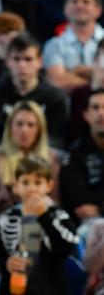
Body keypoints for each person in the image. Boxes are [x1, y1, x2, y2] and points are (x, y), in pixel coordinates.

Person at [0, 155, 78, 295]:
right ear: (15, 186)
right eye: (25, 182)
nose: (31, 188)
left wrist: (44, 216)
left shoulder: (58, 216)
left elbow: (68, 247)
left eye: (38, 182)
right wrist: (6, 263)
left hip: (51, 288)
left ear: (49, 186)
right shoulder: (5, 219)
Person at [0, 32, 69, 152]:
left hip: (42, 158)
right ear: (7, 61)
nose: (22, 65)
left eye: (28, 59)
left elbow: (57, 138)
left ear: (39, 62)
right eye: (16, 59)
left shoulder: (56, 97)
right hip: (2, 157)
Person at [0, 100, 62, 222]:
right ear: (10, 127)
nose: (24, 130)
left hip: (43, 218)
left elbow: (56, 203)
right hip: (3, 220)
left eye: (31, 125)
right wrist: (7, 191)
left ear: (40, 129)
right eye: (19, 124)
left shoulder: (52, 158)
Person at [43, 0, 104, 91]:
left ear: (98, 10)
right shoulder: (54, 45)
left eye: (86, 2)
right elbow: (58, 81)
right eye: (74, 1)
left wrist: (76, 71)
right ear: (65, 9)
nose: (79, 6)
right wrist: (97, 79)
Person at [60, 88, 104, 225]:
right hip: (88, 224)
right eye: (95, 108)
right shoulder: (74, 152)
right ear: (86, 115)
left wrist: (100, 209)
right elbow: (79, 201)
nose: (101, 113)